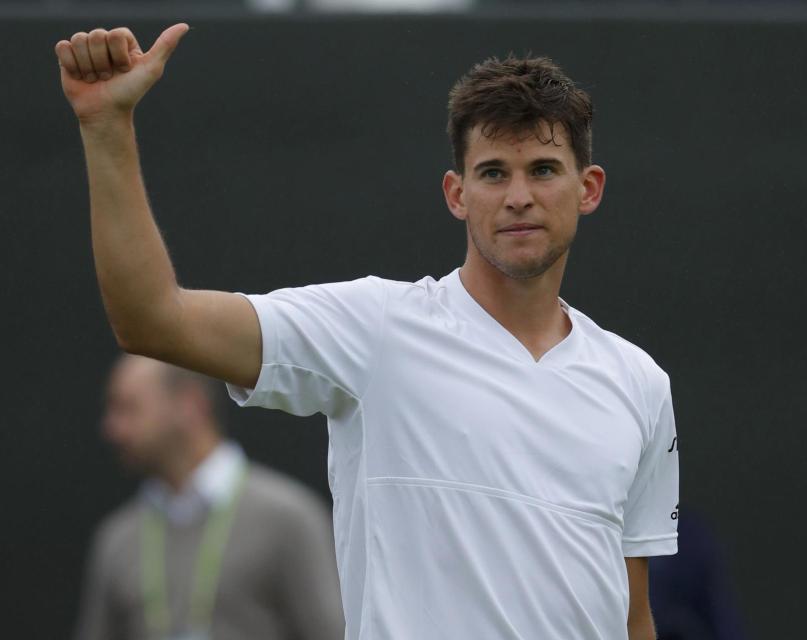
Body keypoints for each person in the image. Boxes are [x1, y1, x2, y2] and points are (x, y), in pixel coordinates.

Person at [55, 23, 679, 640]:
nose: (519, 196)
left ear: (587, 188)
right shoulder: (376, 329)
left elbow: (631, 617)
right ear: (456, 194)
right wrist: (106, 126)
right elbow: (154, 321)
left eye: (543, 169)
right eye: (493, 173)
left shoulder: (640, 383)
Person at [74, 354, 345, 640]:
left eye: (129, 409)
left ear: (189, 404)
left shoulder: (286, 519)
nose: (113, 428)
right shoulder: (117, 539)